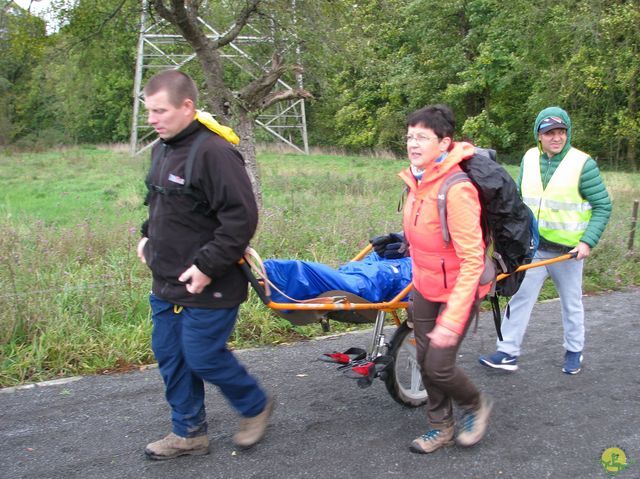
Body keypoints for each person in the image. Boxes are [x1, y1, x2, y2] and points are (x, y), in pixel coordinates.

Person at [136, 70, 273, 460]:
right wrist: (147, 236)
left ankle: (255, 405)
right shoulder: (162, 148)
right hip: (166, 280)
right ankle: (188, 433)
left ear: (187, 107)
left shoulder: (214, 152)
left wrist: (208, 266)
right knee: (171, 356)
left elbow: (240, 220)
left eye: (159, 111)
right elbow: (160, 202)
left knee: (202, 355)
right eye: (148, 111)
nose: (152, 119)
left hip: (211, 281)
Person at [479, 106, 612, 375]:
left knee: (571, 302)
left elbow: (602, 206)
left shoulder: (583, 164)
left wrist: (587, 242)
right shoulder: (528, 159)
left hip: (569, 252)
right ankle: (507, 353)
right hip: (534, 249)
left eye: (561, 132)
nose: (556, 137)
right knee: (519, 298)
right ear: (539, 135)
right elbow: (515, 200)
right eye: (550, 132)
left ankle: (574, 350)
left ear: (567, 133)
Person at [398, 105, 493, 454]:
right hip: (425, 287)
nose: (413, 143)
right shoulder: (416, 180)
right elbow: (425, 236)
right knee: (425, 362)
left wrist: (452, 320)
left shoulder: (456, 189)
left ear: (445, 142)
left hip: (459, 291)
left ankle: (475, 405)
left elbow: (472, 259)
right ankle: (441, 428)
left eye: (422, 137)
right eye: (410, 136)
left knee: (439, 366)